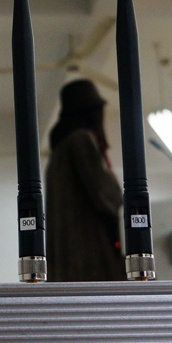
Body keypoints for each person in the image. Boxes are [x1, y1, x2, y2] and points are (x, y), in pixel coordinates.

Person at [46, 79, 124, 281]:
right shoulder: (80, 141)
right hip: (92, 262)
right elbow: (107, 195)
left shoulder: (56, 157)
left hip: (68, 268)